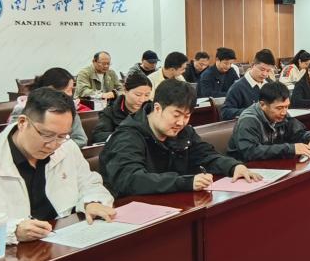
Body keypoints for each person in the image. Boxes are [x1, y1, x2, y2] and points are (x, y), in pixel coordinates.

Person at [0, 88, 115, 252]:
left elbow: (90, 183)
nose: (53, 145)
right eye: (46, 135)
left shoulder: (67, 148)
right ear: (23, 122)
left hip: (62, 246)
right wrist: (10, 231)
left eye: (62, 136)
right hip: (3, 259)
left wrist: (92, 201)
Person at [99, 80, 259, 198]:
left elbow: (206, 154)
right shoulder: (128, 136)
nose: (181, 122)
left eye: (187, 116)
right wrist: (184, 182)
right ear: (157, 108)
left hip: (172, 203)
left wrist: (233, 166)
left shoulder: (183, 131)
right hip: (133, 211)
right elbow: (130, 180)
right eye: (176, 115)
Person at [228, 81, 310, 162]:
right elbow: (250, 152)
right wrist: (289, 149)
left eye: (286, 106)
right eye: (279, 108)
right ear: (263, 105)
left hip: (270, 164)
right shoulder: (248, 120)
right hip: (244, 168)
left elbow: (298, 133)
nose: (284, 112)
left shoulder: (282, 115)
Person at [10, 68, 87, 146]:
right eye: (68, 90)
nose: (70, 94)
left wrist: (57, 147)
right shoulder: (23, 108)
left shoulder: (68, 109)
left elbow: (80, 139)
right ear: (51, 89)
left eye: (71, 90)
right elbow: (13, 139)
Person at [90, 72, 153, 144]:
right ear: (125, 90)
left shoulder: (154, 110)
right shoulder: (110, 112)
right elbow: (98, 136)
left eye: (147, 95)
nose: (142, 100)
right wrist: (126, 137)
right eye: (138, 95)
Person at [220, 49, 277, 119]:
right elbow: (225, 112)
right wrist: (252, 112)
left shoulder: (270, 84)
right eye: (262, 69)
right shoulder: (238, 87)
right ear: (252, 65)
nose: (264, 74)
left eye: (268, 71)